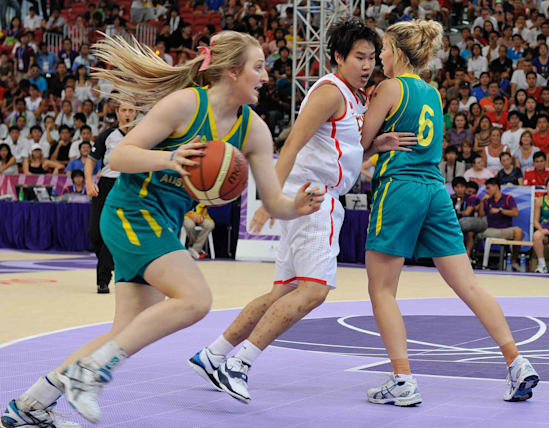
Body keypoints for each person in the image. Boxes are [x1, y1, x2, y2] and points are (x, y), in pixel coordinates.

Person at [1, 31, 326, 427]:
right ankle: (88, 375)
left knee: (125, 333)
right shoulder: (186, 104)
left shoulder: (253, 130)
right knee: (195, 299)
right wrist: (169, 157)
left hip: (164, 222)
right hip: (131, 212)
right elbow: (118, 155)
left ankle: (29, 407)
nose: (265, 76)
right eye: (258, 67)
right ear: (231, 71)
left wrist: (296, 207)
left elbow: (273, 201)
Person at [186, 18, 413, 405]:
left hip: (308, 198)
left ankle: (215, 353)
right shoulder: (329, 92)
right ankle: (239, 365)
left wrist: (376, 147)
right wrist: (269, 198)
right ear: (338, 57)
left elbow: (340, 149)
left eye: (372, 58)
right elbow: (292, 144)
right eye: (359, 57)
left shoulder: (355, 96)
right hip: (314, 199)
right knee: (314, 292)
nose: (367, 65)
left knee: (285, 292)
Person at [360, 19, 540, 406]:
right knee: (469, 285)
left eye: (385, 50)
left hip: (400, 187)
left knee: (381, 289)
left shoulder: (389, 87)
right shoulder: (432, 93)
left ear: (400, 54)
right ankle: (517, 360)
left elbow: (360, 144)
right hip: (435, 191)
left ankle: (403, 378)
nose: (381, 57)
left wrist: (375, 144)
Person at [86, 100, 136, 295]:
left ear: (136, 113)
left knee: (110, 234)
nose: (127, 114)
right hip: (106, 184)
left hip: (128, 185)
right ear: (117, 112)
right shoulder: (107, 135)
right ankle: (111, 263)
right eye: (124, 110)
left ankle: (103, 280)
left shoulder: (143, 136)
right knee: (94, 232)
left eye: (131, 110)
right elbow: (91, 161)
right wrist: (89, 182)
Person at [480, 177, 523, 266]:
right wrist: (481, 202)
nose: (487, 191)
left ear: (496, 187)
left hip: (506, 229)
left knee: (518, 231)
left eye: (488, 188)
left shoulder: (508, 198)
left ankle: (514, 261)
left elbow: (515, 213)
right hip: (491, 230)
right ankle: (477, 260)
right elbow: (481, 215)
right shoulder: (487, 201)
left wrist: (500, 210)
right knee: (477, 232)